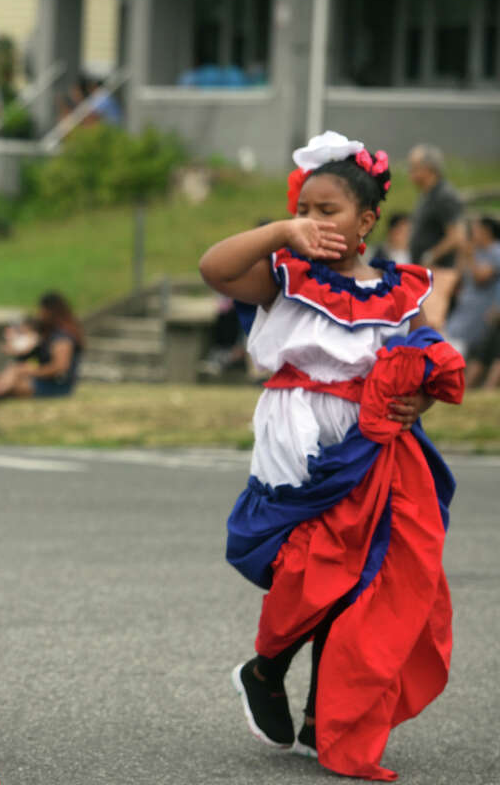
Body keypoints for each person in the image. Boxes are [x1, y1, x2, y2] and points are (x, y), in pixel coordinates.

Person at [199, 131, 464, 781]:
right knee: (310, 571)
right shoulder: (287, 275)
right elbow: (214, 267)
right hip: (300, 439)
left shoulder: (404, 288)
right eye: (306, 209)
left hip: (376, 444)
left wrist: (418, 404)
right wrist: (279, 231)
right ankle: (266, 670)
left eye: (329, 211)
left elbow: (426, 361)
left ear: (367, 220)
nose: (315, 221)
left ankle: (326, 707)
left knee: (363, 578)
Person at [0, 292, 83, 399]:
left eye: (42, 310)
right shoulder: (48, 333)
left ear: (50, 312)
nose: (39, 314)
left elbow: (59, 368)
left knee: (9, 382)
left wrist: (31, 370)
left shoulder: (62, 338)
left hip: (55, 386)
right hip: (42, 380)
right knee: (3, 377)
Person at [407, 144, 466, 328]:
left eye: (414, 168)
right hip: (426, 272)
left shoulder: (444, 195)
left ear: (429, 169)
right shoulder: (428, 195)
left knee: (431, 324)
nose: (410, 173)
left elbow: (457, 235)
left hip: (439, 270)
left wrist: (430, 255)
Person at [444, 215, 500, 355]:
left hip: (480, 312)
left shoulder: (496, 251)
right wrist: (463, 252)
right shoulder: (476, 251)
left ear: (486, 231)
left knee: (455, 346)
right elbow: (458, 275)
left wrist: (469, 256)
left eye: (476, 229)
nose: (472, 233)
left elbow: (480, 278)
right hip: (464, 308)